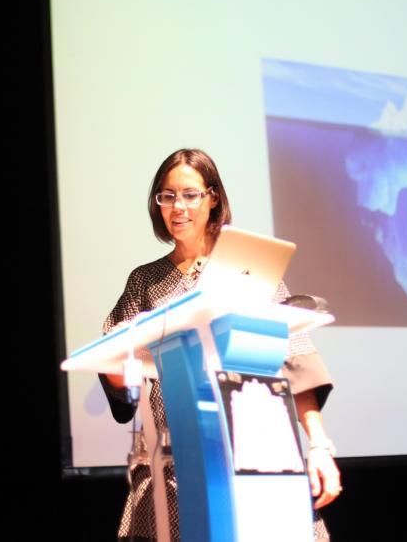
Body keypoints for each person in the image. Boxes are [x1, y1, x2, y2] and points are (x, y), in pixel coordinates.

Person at [101, 148, 341, 541]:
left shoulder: (250, 270)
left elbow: (296, 361)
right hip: (174, 471)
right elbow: (120, 380)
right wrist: (118, 359)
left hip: (257, 462)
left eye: (190, 194)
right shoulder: (145, 282)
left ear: (213, 197)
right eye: (167, 196)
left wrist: (319, 445)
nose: (178, 206)